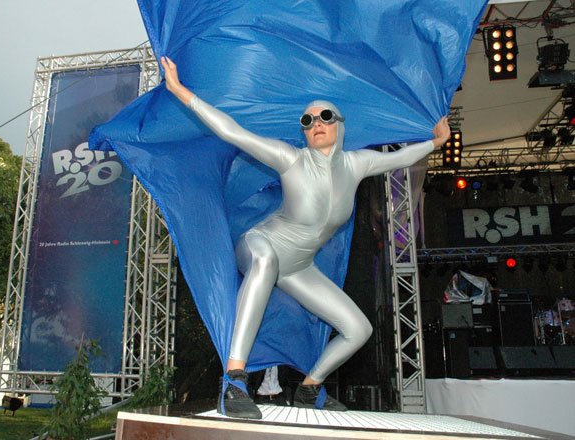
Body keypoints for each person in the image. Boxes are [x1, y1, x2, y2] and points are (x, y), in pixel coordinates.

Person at [160, 56, 450, 419]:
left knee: (358, 328)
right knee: (266, 261)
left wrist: (435, 143)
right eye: (308, 120)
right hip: (260, 245)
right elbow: (233, 132)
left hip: (298, 266)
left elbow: (401, 158)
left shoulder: (357, 164)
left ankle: (309, 388)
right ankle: (234, 381)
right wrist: (181, 92)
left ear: (340, 125)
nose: (316, 124)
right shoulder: (291, 159)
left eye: (325, 116)